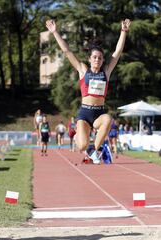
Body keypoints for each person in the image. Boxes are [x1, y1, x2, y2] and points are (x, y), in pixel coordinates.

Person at [46, 18, 131, 164]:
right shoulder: (83, 70)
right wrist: (55, 33)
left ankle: (95, 149)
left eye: (99, 58)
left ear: (103, 60)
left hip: (98, 112)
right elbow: (67, 51)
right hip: (84, 113)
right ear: (89, 59)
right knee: (81, 146)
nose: (97, 60)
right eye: (94, 57)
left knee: (108, 120)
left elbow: (117, 53)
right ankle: (88, 148)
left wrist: (123, 31)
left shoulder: (106, 72)